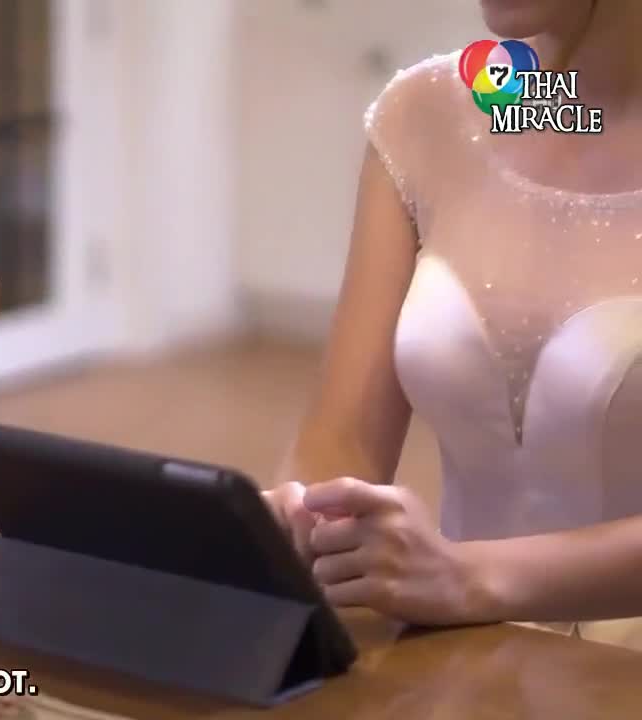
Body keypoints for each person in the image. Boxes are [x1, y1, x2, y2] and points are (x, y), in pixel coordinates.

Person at [261, 0, 642, 648]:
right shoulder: (426, 116)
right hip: (465, 659)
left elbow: (461, 580)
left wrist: (470, 577)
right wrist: (303, 515)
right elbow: (341, 442)